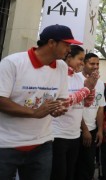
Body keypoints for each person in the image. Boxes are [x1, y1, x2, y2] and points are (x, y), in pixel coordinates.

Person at [0, 24, 81, 179]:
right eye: (66, 44)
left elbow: (61, 99)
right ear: (51, 43)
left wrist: (59, 109)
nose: (69, 49)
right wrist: (34, 113)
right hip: (6, 145)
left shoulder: (62, 67)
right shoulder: (13, 63)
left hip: (42, 145)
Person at [51, 45, 98, 180]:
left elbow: (87, 103)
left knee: (70, 174)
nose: (82, 63)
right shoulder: (59, 76)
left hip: (74, 136)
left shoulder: (79, 78)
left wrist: (92, 86)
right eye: (80, 59)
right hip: (58, 135)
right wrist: (87, 89)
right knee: (58, 174)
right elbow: (63, 103)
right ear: (69, 57)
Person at [75, 53, 106, 180]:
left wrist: (99, 130)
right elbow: (75, 108)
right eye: (92, 63)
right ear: (84, 64)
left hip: (92, 130)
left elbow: (100, 107)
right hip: (76, 131)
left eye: (97, 64)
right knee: (75, 166)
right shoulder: (75, 79)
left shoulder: (100, 84)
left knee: (88, 166)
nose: (95, 66)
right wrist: (85, 130)